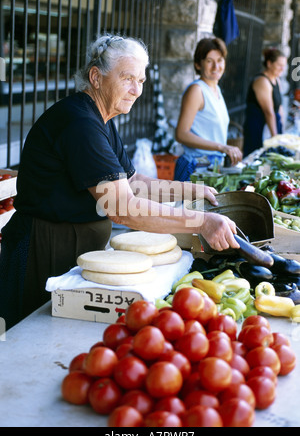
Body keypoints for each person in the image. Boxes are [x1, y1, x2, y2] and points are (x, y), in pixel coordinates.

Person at [0, 34, 240, 330]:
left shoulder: (99, 119)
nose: (136, 90)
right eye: (128, 78)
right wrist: (200, 221)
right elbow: (121, 207)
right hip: (44, 247)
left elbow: (133, 181)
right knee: (33, 337)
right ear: (95, 77)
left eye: (141, 81)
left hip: (72, 245)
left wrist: (192, 190)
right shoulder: (80, 123)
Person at [174, 37, 243, 182]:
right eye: (209, 61)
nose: (216, 66)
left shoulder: (216, 89)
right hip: (194, 169)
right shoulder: (196, 90)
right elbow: (181, 134)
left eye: (220, 60)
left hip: (211, 169)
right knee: (189, 206)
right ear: (198, 65)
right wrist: (221, 147)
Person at [243, 48, 287, 157]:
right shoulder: (262, 81)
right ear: (269, 64)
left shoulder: (276, 79)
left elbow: (279, 106)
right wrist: (275, 139)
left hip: (273, 125)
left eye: (284, 65)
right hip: (258, 127)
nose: (282, 69)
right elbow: (269, 112)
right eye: (279, 65)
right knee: (256, 158)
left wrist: (281, 131)